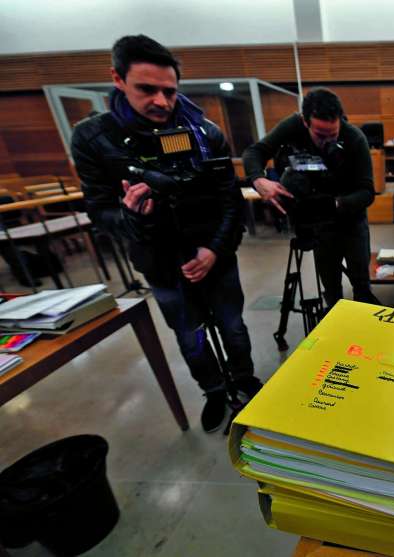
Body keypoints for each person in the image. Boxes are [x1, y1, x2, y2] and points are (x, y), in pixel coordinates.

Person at [71, 35, 261, 433]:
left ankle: (244, 382)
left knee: (235, 329)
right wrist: (132, 215)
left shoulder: (206, 133)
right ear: (117, 79)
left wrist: (213, 250)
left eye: (169, 91)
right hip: (160, 262)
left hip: (216, 254)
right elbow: (100, 211)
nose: (161, 101)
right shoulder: (92, 138)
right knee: (190, 338)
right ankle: (212, 391)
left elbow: (230, 200)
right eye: (147, 89)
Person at [243, 88, 379, 308]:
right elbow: (254, 152)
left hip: (351, 221)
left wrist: (334, 204)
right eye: (320, 135)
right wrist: (259, 180)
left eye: (333, 135)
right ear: (305, 122)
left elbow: (367, 192)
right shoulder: (292, 126)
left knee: (361, 285)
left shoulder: (354, 138)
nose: (327, 142)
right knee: (331, 286)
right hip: (318, 224)